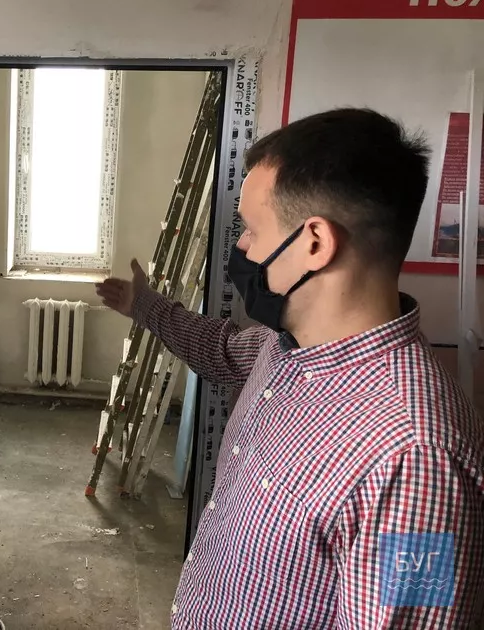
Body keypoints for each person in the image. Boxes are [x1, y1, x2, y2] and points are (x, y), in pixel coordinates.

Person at [96, 108, 484, 629]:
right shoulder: (285, 350)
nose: (241, 247)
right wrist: (143, 306)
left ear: (314, 243)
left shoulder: (413, 459)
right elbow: (220, 348)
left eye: (252, 230)